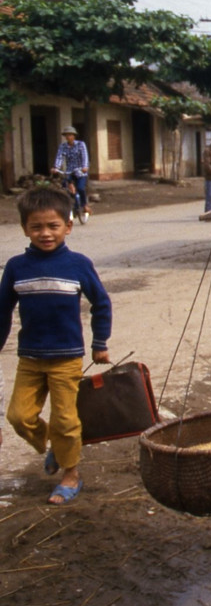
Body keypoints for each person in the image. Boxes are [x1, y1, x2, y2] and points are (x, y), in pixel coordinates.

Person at [0, 186, 111, 505]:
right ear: (24, 228)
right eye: (36, 227)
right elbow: (2, 309)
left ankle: (70, 475)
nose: (45, 233)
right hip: (30, 358)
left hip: (66, 359)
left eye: (53, 226)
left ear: (68, 226)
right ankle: (56, 446)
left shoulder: (78, 264)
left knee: (65, 419)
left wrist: (100, 342)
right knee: (19, 416)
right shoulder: (16, 267)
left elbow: (101, 303)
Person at [53, 125, 91, 223]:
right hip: (69, 171)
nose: (68, 137)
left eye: (70, 135)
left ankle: (84, 205)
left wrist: (85, 167)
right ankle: (71, 206)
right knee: (66, 188)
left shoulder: (81, 144)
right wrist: (56, 168)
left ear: (74, 136)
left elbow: (85, 156)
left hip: (80, 171)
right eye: (66, 135)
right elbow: (59, 157)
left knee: (81, 188)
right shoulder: (63, 146)